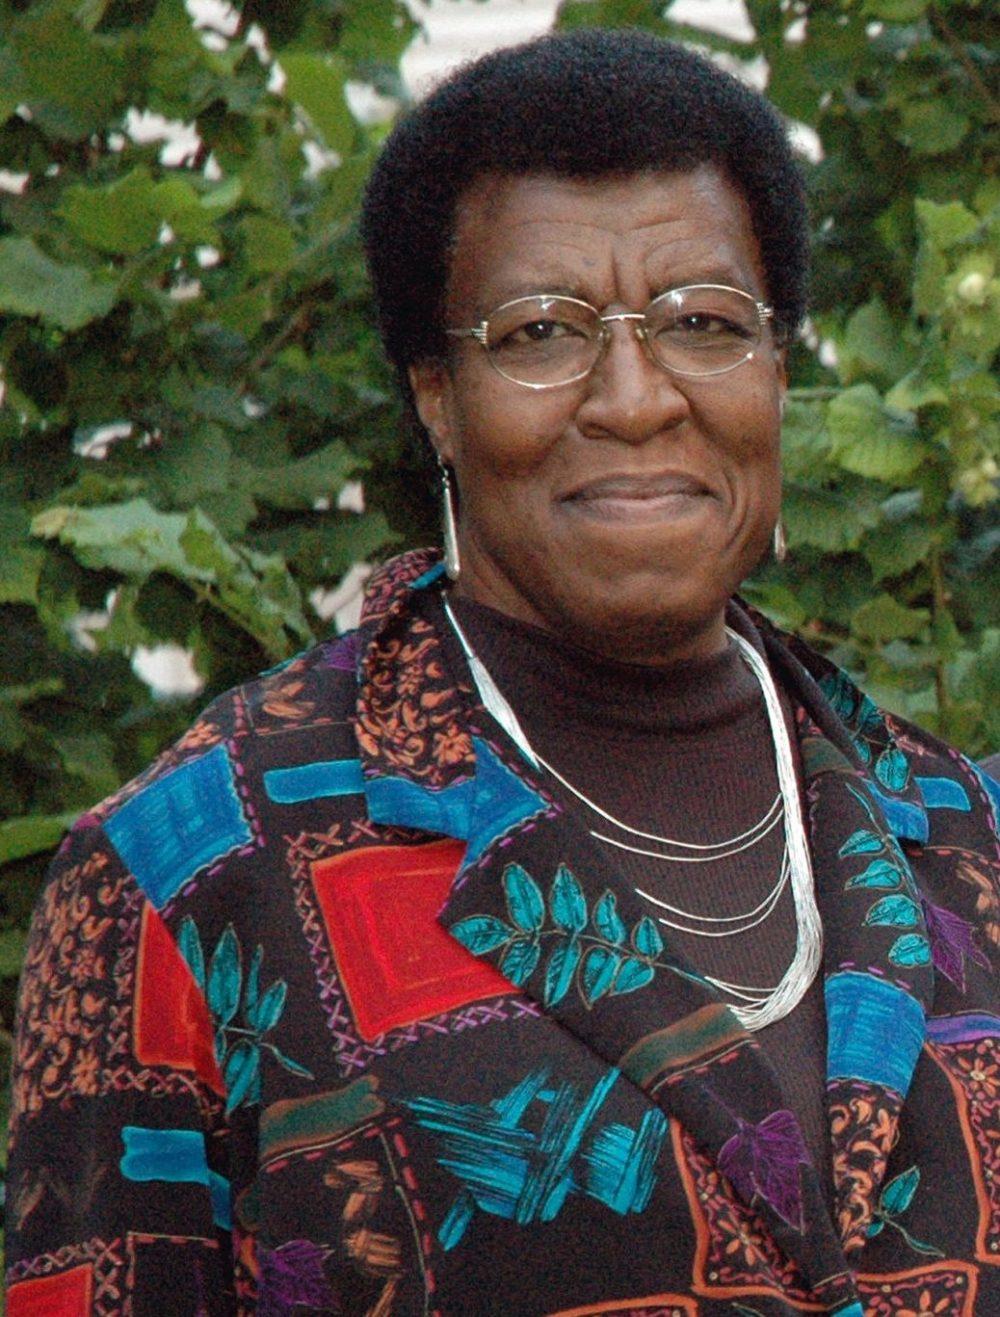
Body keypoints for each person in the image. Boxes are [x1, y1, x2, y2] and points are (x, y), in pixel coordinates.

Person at [5, 27, 1000, 1317]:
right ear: (436, 394)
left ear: (777, 370)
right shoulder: (193, 874)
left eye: (704, 322)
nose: (636, 398)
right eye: (542, 332)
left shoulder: (964, 838)